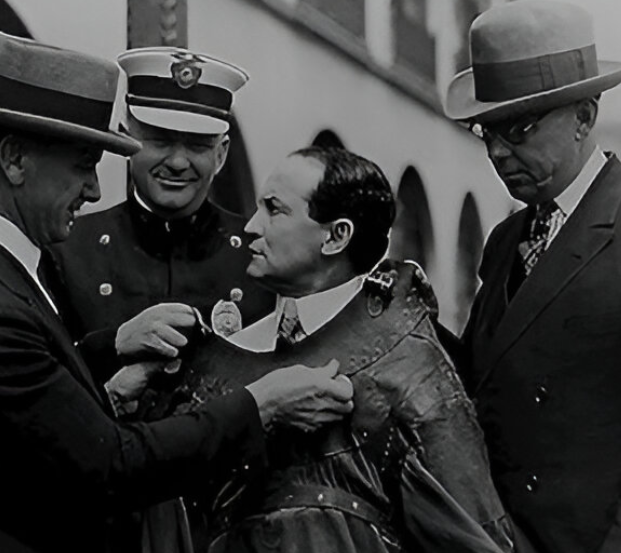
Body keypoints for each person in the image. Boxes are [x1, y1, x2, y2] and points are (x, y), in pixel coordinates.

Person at [0, 32, 354, 553]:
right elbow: (109, 464)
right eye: (83, 163)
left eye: (197, 145)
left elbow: (34, 400)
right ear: (14, 159)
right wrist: (261, 405)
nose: (95, 188)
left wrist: (111, 356)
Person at [140, 147, 515, 553]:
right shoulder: (223, 352)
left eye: (274, 210)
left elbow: (474, 532)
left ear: (336, 236)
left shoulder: (411, 361)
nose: (250, 226)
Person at [441, 2, 621, 552]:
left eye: (519, 128)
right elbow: (485, 388)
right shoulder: (505, 241)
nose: (497, 151)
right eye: (486, 131)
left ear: (584, 117)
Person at [44, 46, 275, 377]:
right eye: (160, 140)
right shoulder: (69, 250)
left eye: (197, 145)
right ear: (127, 141)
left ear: (221, 154)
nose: (178, 162)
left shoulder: (260, 256)